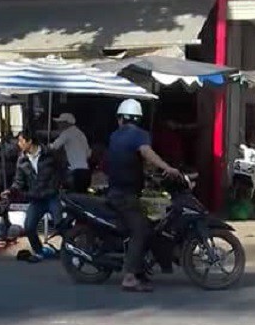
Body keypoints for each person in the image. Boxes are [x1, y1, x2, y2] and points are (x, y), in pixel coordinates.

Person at [106, 99, 181, 292]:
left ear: (121, 118)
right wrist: (167, 168)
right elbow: (147, 153)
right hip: (124, 195)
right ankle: (130, 277)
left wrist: (148, 176)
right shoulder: (139, 135)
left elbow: (128, 161)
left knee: (146, 223)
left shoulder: (115, 135)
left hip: (118, 192)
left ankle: (140, 267)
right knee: (141, 229)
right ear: (138, 118)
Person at [3, 130, 61, 263]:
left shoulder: (49, 154)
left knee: (61, 225)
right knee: (29, 227)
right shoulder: (22, 159)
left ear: (29, 141)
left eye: (21, 141)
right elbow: (18, 181)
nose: (18, 144)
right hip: (37, 198)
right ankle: (39, 251)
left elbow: (62, 170)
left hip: (52, 195)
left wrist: (60, 184)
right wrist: (11, 191)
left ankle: (70, 252)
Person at [50, 113, 91, 193]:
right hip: (85, 171)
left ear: (66, 123)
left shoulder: (67, 133)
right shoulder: (81, 134)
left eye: (60, 123)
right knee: (82, 199)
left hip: (75, 173)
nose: (58, 125)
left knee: (73, 199)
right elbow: (88, 153)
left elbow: (54, 146)